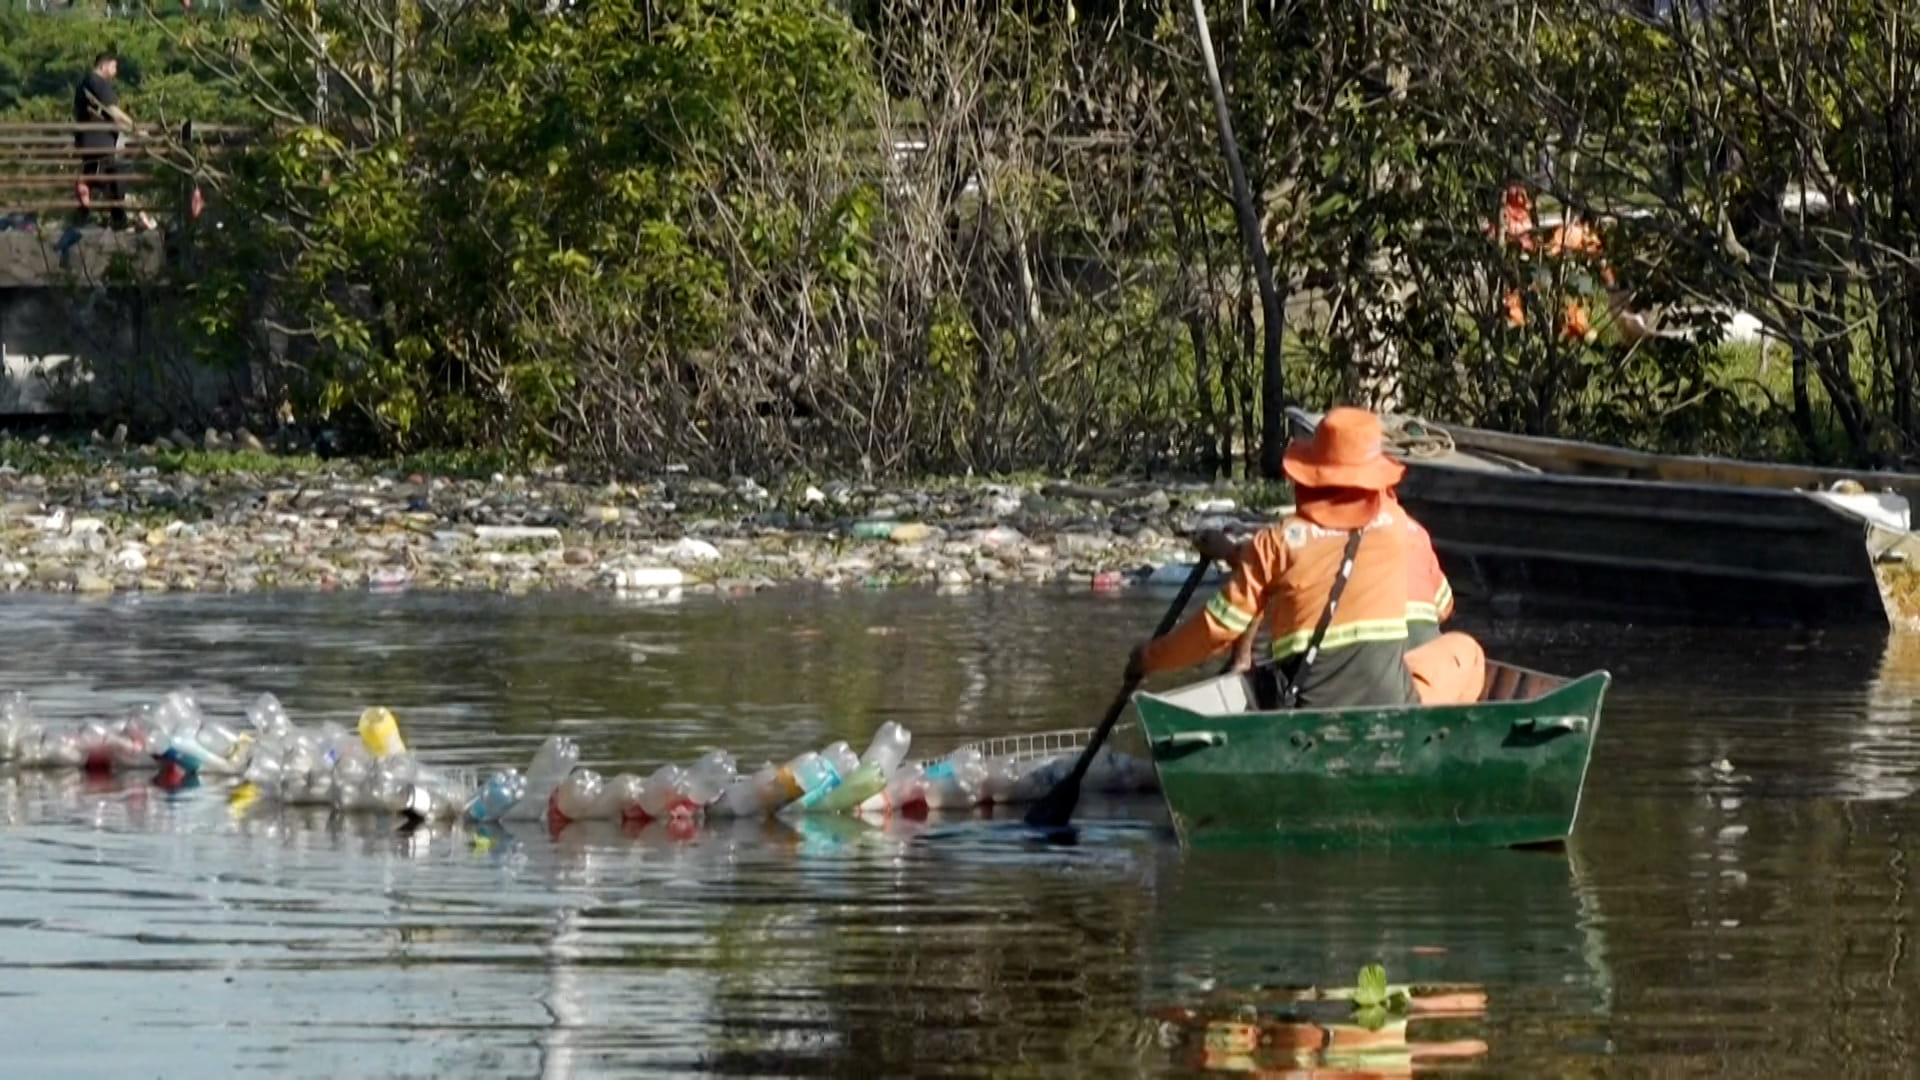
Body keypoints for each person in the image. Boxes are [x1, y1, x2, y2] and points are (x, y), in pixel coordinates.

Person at [1127, 407, 1485, 708]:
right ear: (1375, 484)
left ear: (1308, 480)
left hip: (1304, 708)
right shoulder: (1398, 528)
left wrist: (1150, 657)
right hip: (1394, 703)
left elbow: (1216, 630)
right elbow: (1443, 606)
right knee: (1467, 651)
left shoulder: (1277, 542)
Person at [73, 50, 133, 231]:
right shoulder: (98, 82)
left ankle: (86, 209)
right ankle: (118, 218)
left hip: (89, 140)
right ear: (104, 65)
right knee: (115, 177)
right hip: (99, 140)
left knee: (101, 175)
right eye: (114, 66)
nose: (115, 71)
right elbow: (113, 111)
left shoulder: (85, 82)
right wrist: (134, 126)